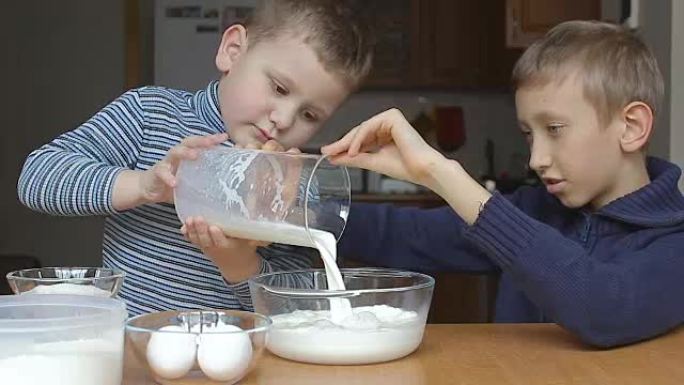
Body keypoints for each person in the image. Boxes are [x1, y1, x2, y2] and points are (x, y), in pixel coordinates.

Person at [322, 20, 684, 348]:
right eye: (529, 134)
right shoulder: (533, 209)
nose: (536, 158)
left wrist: (441, 173)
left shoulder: (674, 245)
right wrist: (300, 202)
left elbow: (601, 309)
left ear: (632, 127)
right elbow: (403, 233)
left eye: (554, 129)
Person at [17, 0, 374, 315]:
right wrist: (145, 185)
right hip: (139, 356)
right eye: (279, 88)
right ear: (232, 51)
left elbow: (297, 309)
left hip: (242, 363)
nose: (283, 119)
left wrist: (240, 263)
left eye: (309, 115)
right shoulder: (150, 115)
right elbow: (37, 179)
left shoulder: (291, 183)